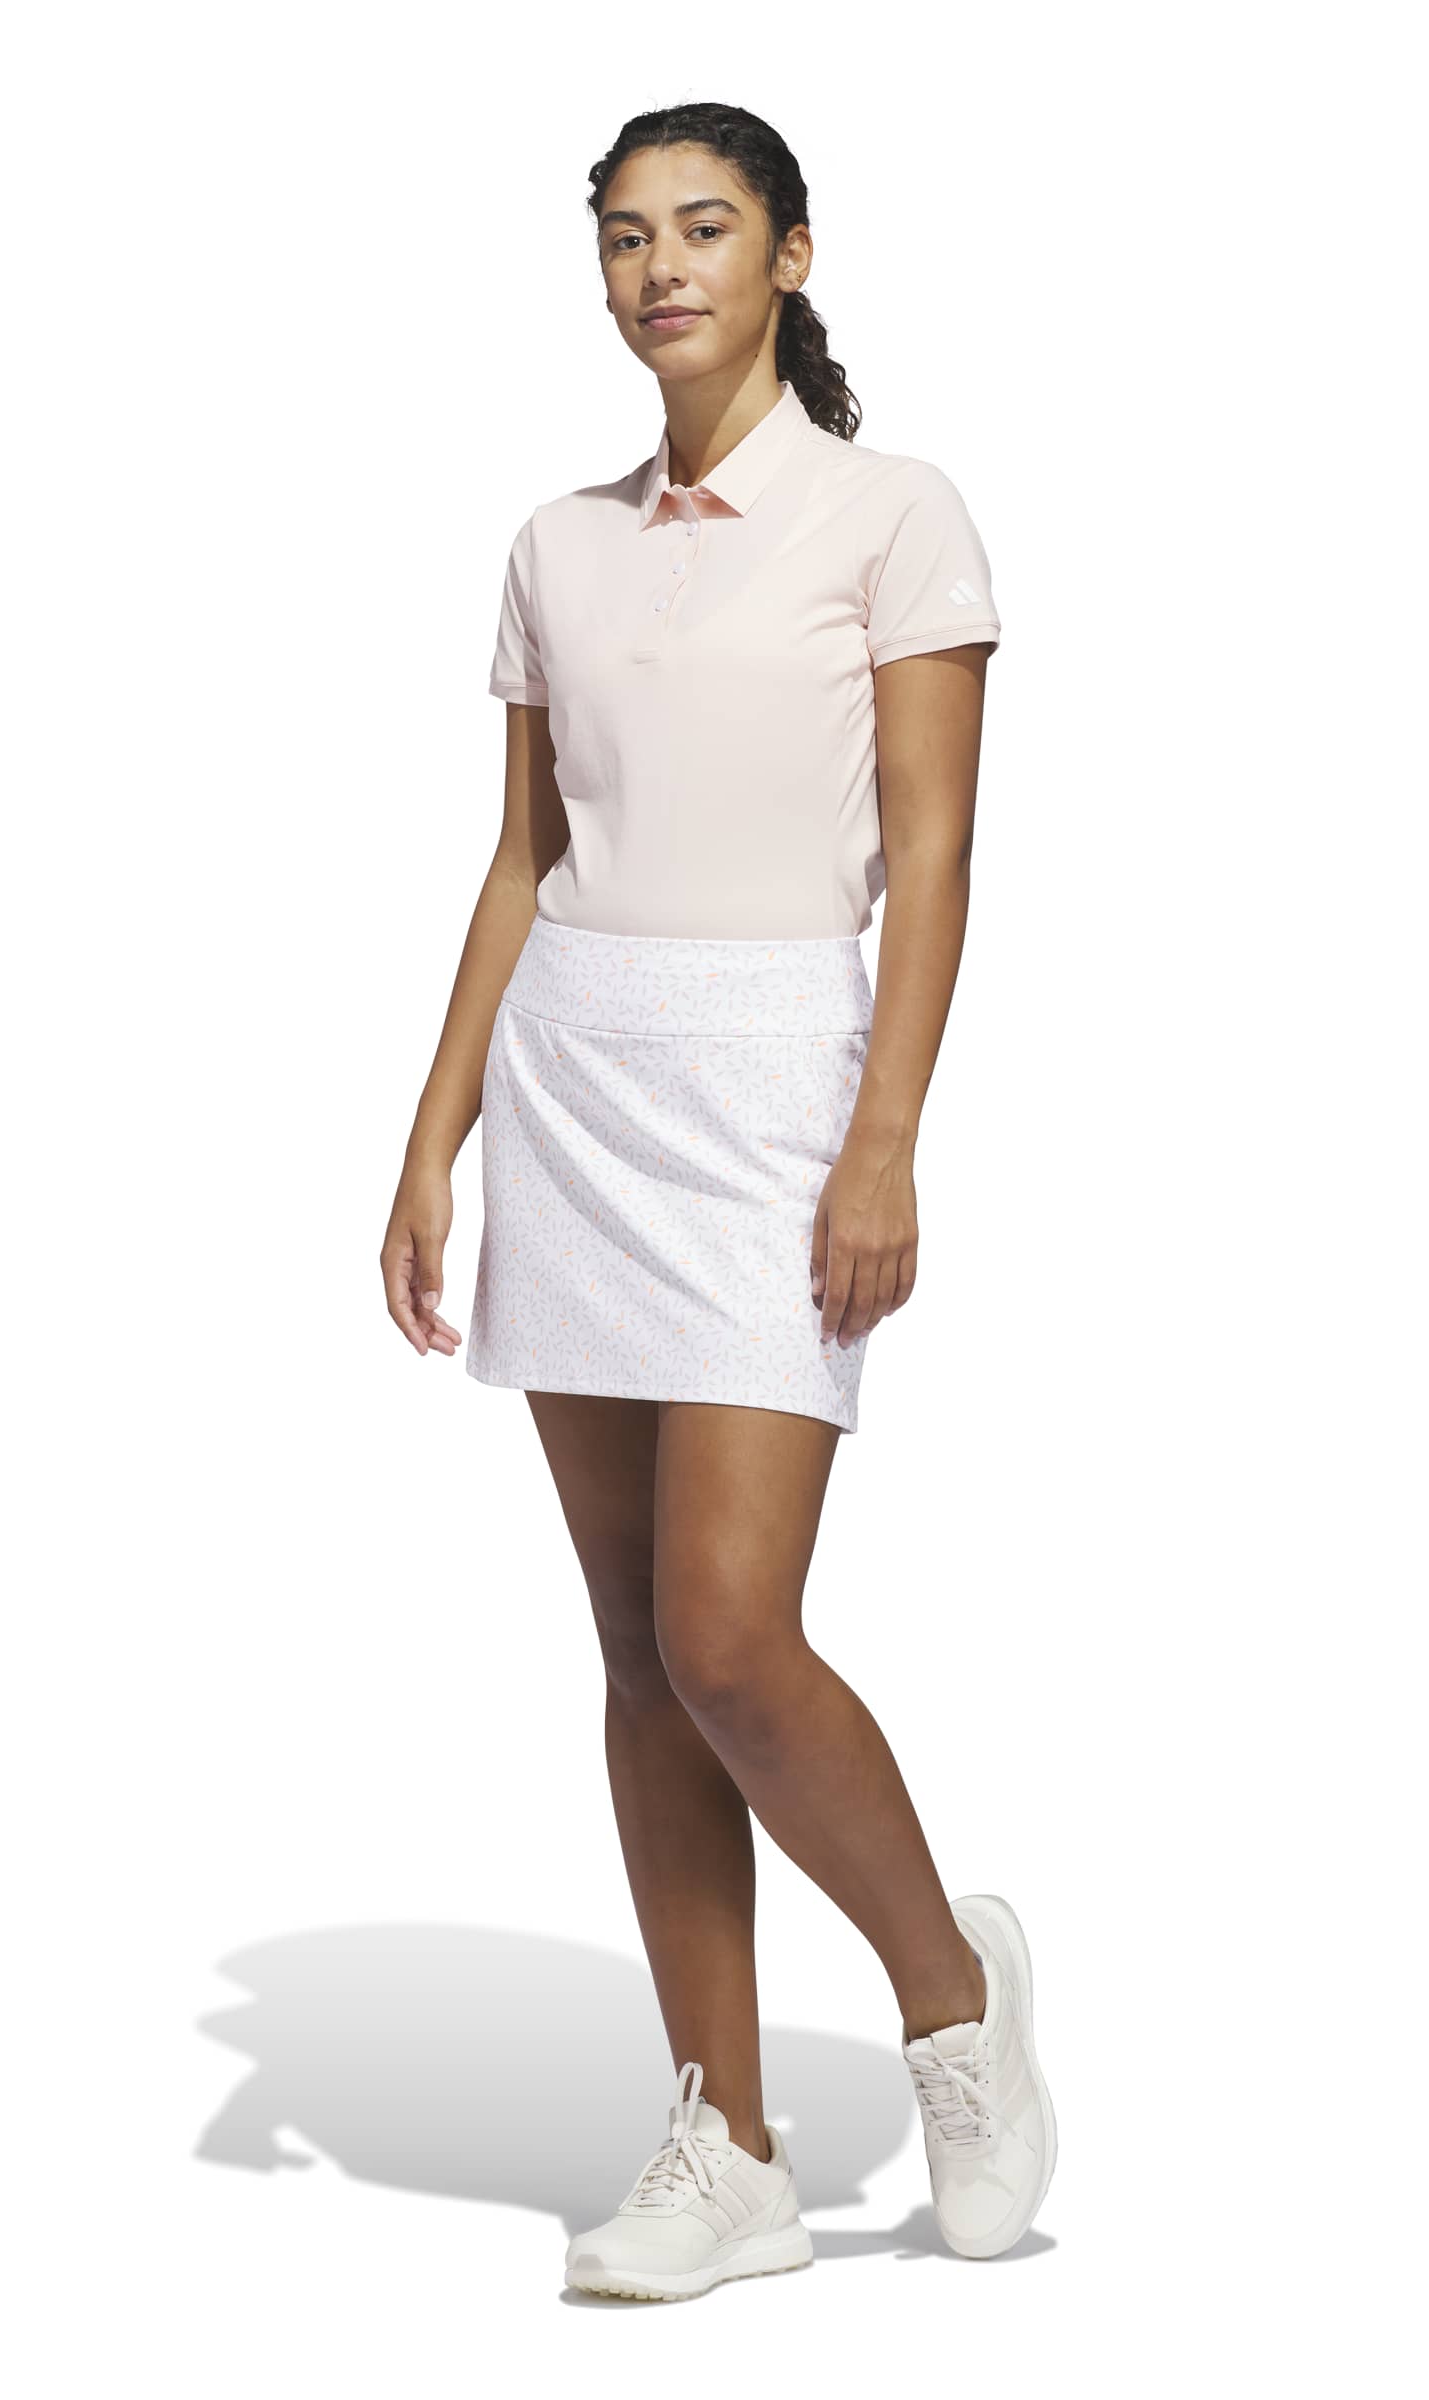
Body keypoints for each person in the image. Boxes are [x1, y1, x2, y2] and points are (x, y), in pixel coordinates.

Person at [382, 101, 1054, 2302]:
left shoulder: (893, 513)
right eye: (624, 237)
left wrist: (887, 1136)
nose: (659, 267)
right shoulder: (556, 544)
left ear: (790, 253)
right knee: (638, 1656)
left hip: (776, 1087)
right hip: (577, 1080)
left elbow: (935, 856)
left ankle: (951, 2001)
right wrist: (434, 1134)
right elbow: (525, 857)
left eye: (702, 227)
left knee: (729, 1635)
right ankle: (728, 2141)